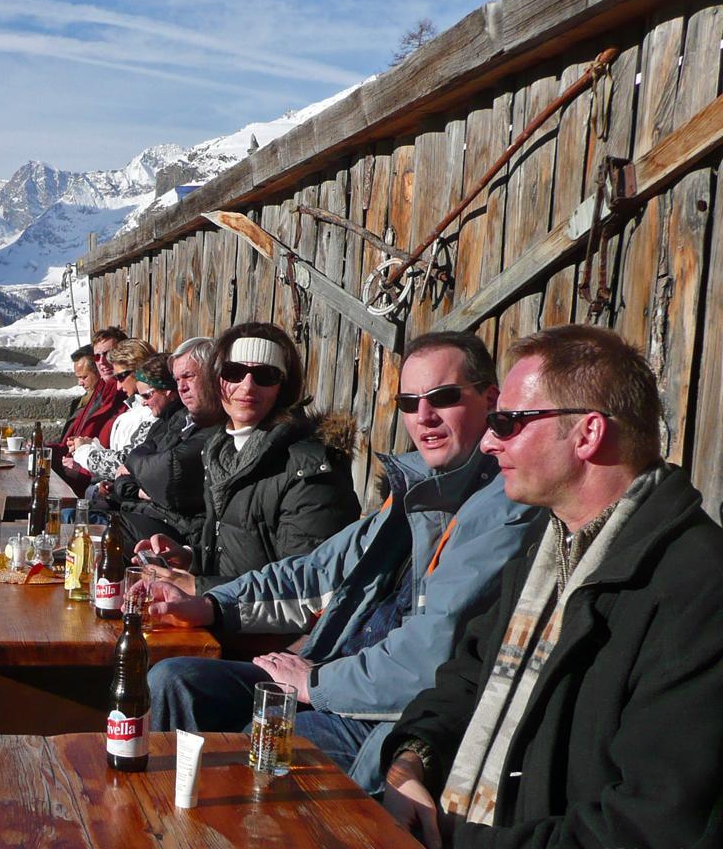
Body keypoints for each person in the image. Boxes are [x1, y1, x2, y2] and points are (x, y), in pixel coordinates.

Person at [382, 325, 723, 849]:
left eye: (509, 422)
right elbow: (464, 679)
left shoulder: (695, 586)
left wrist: (460, 847)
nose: (491, 441)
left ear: (587, 435)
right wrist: (410, 762)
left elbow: (652, 831)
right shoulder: (549, 554)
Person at [142, 331, 539, 793]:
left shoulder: (503, 506)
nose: (424, 416)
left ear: (490, 400)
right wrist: (212, 604)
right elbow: (316, 570)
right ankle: (163, 818)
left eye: (443, 398)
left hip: (378, 712)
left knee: (262, 744)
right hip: (326, 670)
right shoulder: (418, 490)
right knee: (174, 679)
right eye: (409, 403)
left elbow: (430, 655)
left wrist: (317, 682)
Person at [135, 322, 359, 586]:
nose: (247, 386)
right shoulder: (220, 451)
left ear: (283, 387)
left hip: (256, 624)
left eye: (265, 375)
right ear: (216, 380)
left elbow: (305, 585)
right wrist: (188, 558)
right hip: (224, 613)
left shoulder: (309, 468)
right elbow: (240, 550)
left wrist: (197, 589)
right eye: (233, 373)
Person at [107, 338, 225, 548]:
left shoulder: (217, 424)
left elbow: (169, 471)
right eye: (177, 379)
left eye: (188, 376)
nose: (182, 387)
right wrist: (132, 479)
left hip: (184, 531)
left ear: (213, 377)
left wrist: (133, 474)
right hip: (155, 515)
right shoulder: (180, 420)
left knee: (108, 532)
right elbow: (143, 455)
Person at [67, 338, 157, 483]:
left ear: (140, 370)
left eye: (121, 377)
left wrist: (83, 452)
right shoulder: (132, 406)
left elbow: (126, 462)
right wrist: (91, 446)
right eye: (97, 356)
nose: (119, 386)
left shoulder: (154, 412)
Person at [51, 344, 128, 493]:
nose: (80, 382)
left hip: (91, 481)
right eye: (98, 357)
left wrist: (82, 470)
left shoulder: (117, 400)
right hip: (75, 470)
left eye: (84, 377)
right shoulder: (92, 397)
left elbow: (117, 457)